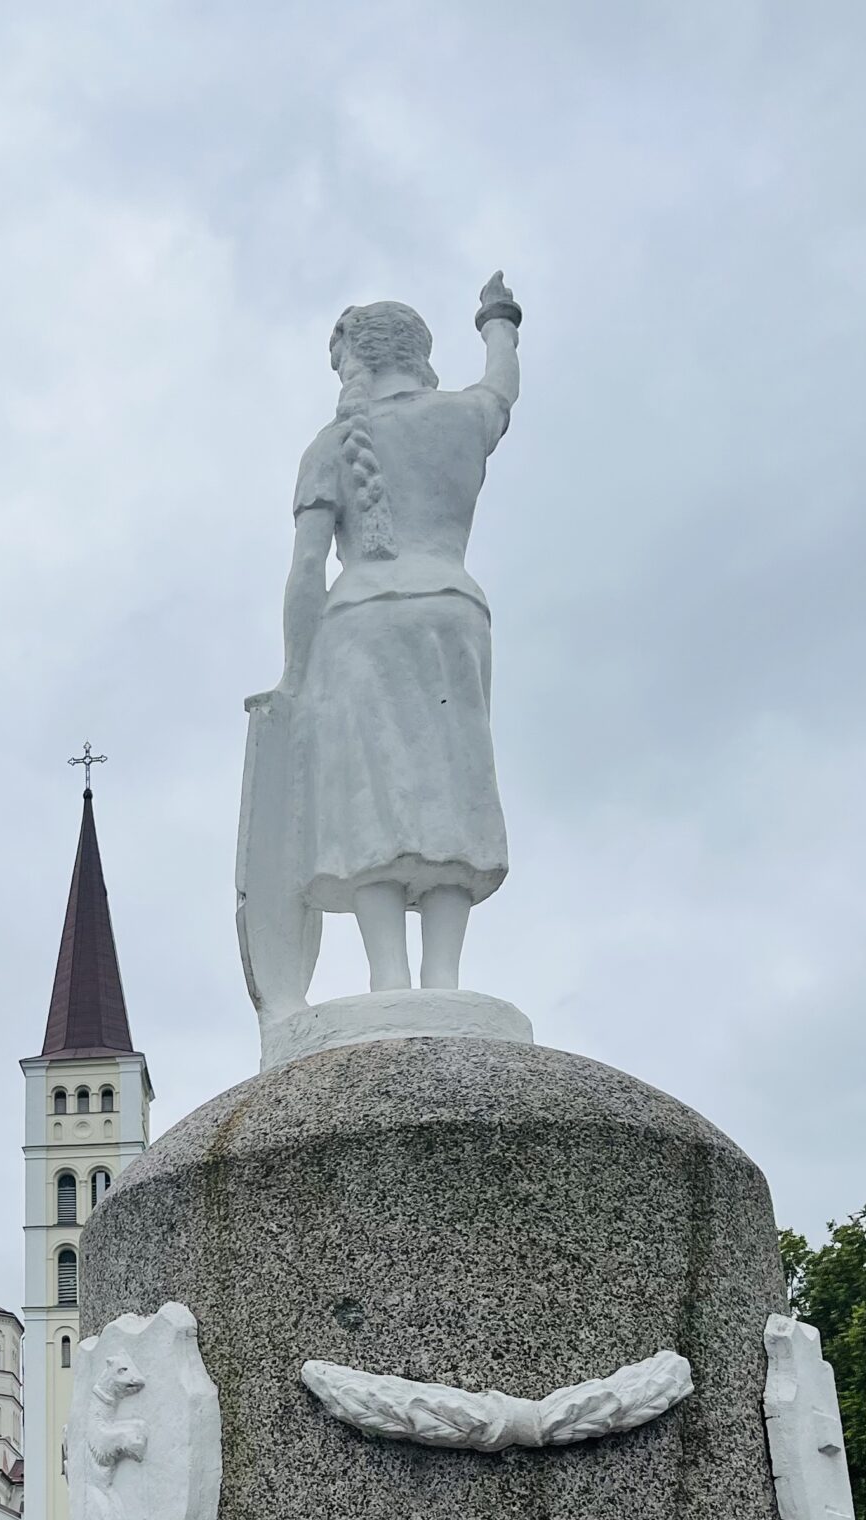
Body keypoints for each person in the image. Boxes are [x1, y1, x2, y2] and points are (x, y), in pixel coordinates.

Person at [238, 275, 522, 1020]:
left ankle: (388, 982)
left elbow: (305, 571)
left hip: (360, 622)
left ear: (355, 364)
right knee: (449, 787)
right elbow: (502, 388)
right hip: (453, 614)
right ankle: (444, 981)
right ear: (419, 357)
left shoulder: (333, 444)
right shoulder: (464, 417)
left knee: (370, 798)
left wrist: (295, 675)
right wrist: (499, 321)